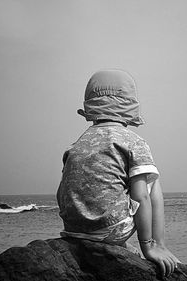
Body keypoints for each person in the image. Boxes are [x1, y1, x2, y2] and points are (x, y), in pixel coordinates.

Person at [57, 69, 180, 277]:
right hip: (108, 230)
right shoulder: (132, 141)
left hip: (73, 229)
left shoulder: (75, 146)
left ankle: (113, 241)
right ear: (130, 106)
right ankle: (157, 245)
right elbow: (141, 196)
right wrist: (146, 246)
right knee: (150, 180)